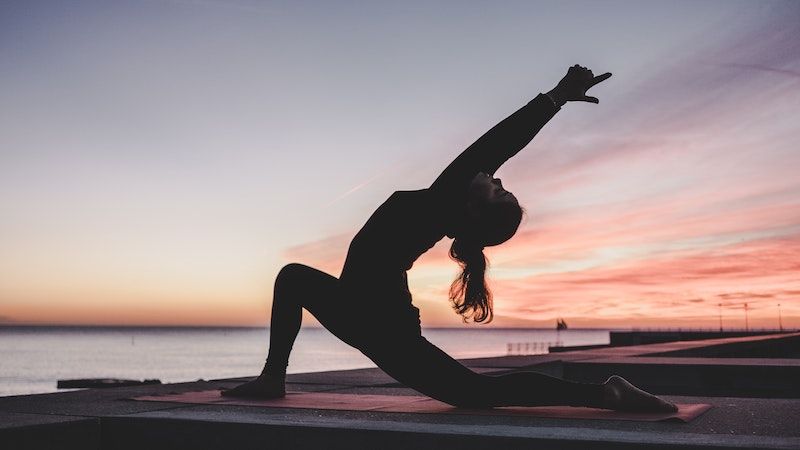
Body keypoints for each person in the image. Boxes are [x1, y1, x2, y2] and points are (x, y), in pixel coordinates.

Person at [223, 65, 677, 412]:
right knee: (293, 277)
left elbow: (497, 143)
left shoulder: (443, 200)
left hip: (380, 323)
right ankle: (272, 378)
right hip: (360, 309)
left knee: (476, 394)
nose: (494, 178)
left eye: (498, 188)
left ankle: (606, 393)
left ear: (473, 210)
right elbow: (494, 152)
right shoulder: (443, 206)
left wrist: (555, 97)